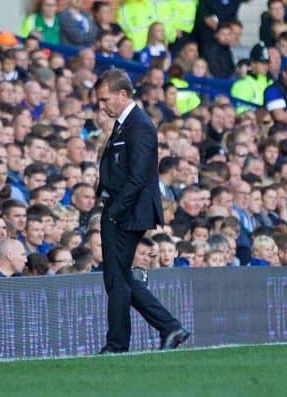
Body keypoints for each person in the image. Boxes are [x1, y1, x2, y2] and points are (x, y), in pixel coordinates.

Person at [94, 69, 190, 353]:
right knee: (120, 277)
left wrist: (116, 211)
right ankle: (169, 327)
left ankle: (118, 344)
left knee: (116, 278)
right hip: (123, 208)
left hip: (126, 212)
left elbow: (138, 176)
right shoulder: (127, 124)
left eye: (105, 99)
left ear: (122, 95)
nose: (102, 105)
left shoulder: (140, 125)